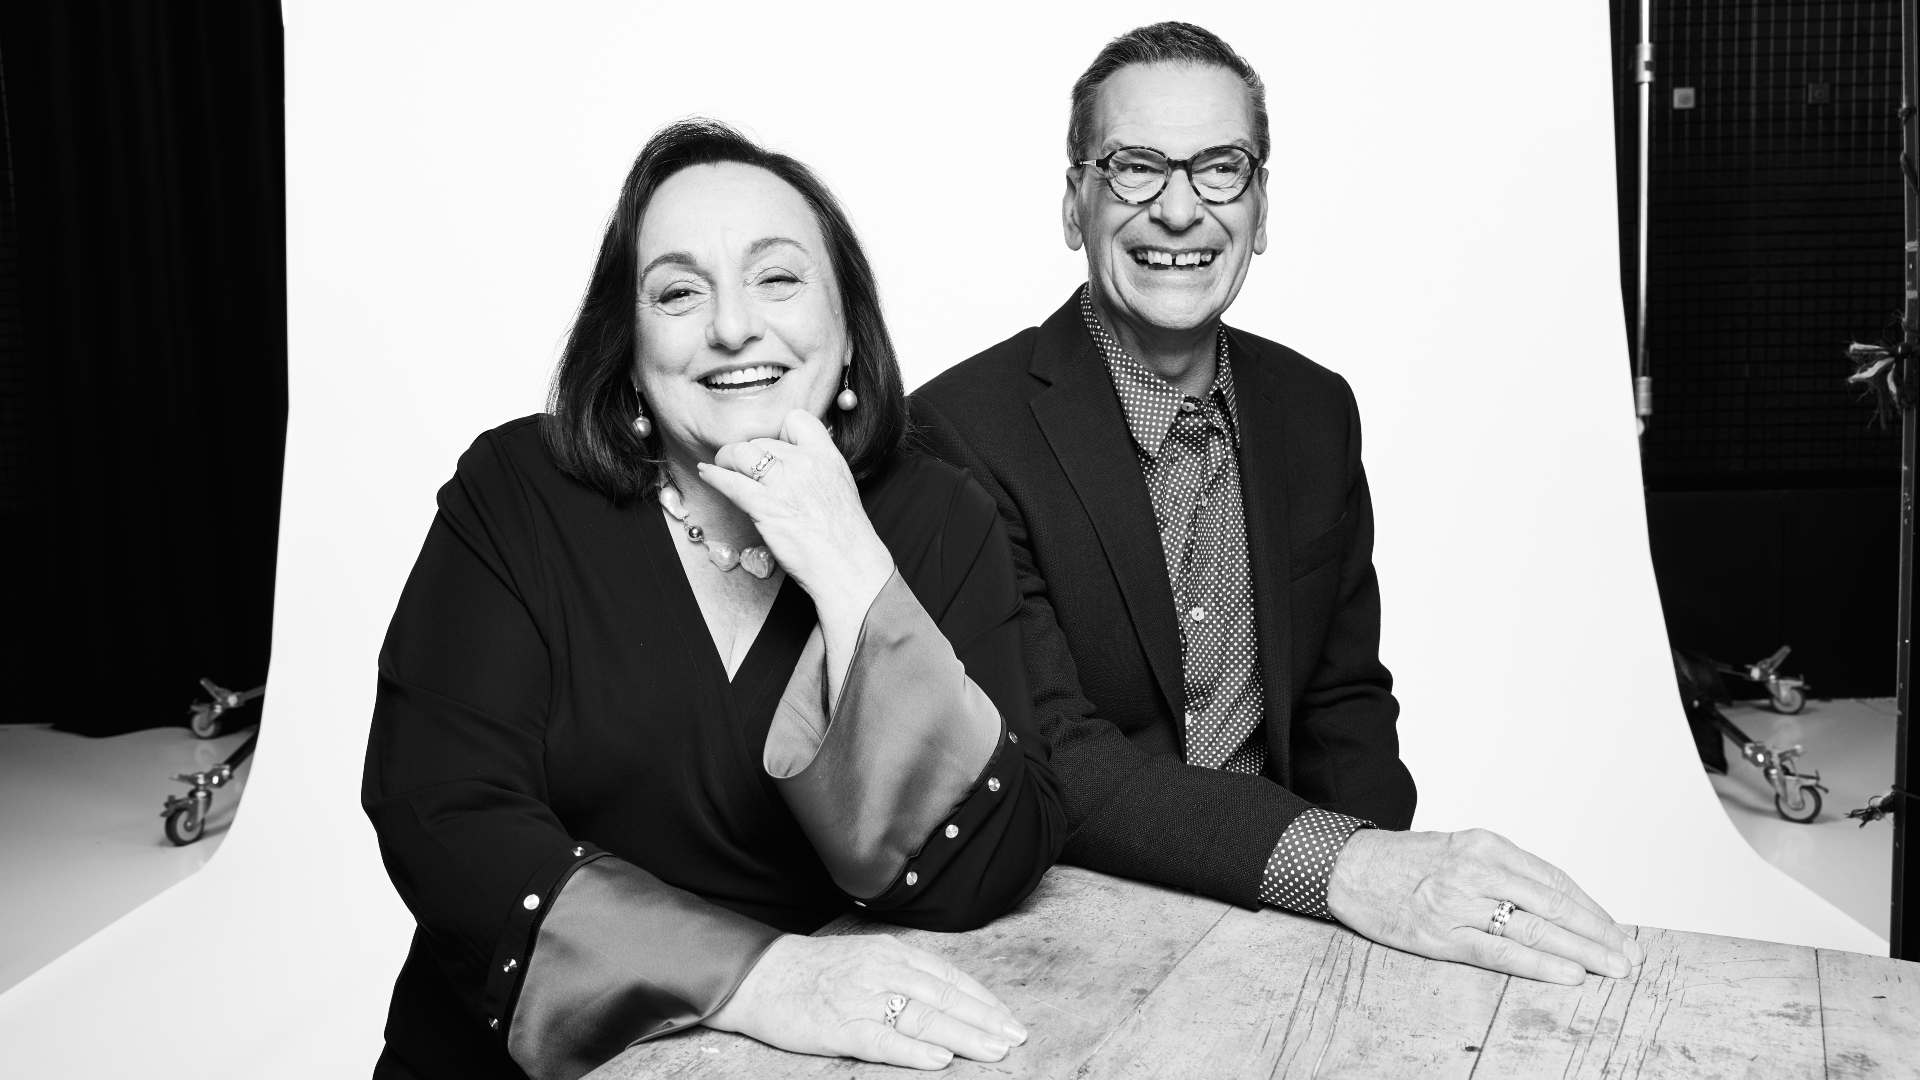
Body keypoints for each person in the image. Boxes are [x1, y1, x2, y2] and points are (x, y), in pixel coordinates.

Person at [911, 22, 1646, 985]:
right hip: (1081, 933)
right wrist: (1348, 867)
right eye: (1135, 167)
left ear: (1259, 209)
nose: (1180, 210)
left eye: (1220, 169)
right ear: (1073, 204)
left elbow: (1342, 702)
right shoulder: (959, 432)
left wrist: (1390, 918)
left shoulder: (1314, 410)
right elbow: (1057, 755)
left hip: (1299, 929)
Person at [362, 119, 1064, 1080]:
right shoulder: (516, 490)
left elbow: (992, 862)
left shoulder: (940, 516)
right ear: (628, 344)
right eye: (679, 291)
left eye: (776, 278)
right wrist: (763, 979)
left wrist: (849, 566)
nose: (733, 327)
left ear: (849, 325)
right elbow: (442, 814)